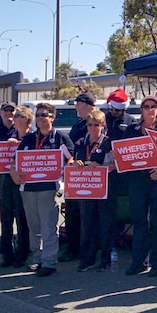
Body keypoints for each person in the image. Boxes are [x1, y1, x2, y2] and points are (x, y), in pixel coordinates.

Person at [10, 102, 74, 277]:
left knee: (48, 225)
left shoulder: (60, 138)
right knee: (34, 226)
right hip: (28, 188)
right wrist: (13, 171)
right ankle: (36, 258)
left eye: (43, 115)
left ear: (52, 117)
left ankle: (49, 261)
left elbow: (71, 159)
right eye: (37, 115)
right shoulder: (30, 138)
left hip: (50, 187)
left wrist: (64, 169)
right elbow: (16, 160)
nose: (39, 118)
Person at [120, 95, 157, 277]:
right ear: (141, 109)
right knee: (139, 221)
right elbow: (124, 152)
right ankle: (139, 261)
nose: (150, 109)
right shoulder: (132, 129)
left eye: (153, 106)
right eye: (146, 106)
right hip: (137, 182)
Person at [70, 110, 115, 272]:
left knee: (105, 224)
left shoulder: (108, 143)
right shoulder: (81, 142)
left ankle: (105, 260)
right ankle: (87, 259)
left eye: (97, 125)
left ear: (103, 126)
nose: (93, 128)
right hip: (85, 189)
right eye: (90, 124)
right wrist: (77, 164)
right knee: (87, 224)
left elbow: (116, 165)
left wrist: (102, 167)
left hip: (105, 189)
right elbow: (74, 162)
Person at [0, 101, 30, 268]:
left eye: (13, 112)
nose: (9, 114)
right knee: (6, 216)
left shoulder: (22, 132)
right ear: (0, 113)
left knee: (21, 215)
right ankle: (6, 250)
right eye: (6, 111)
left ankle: (22, 251)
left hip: (20, 180)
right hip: (3, 179)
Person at [60, 92, 97, 263]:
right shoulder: (78, 124)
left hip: (90, 177)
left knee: (85, 215)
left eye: (78, 103)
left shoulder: (92, 124)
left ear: (88, 105)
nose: (75, 106)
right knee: (73, 213)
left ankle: (84, 249)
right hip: (75, 175)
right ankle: (73, 247)